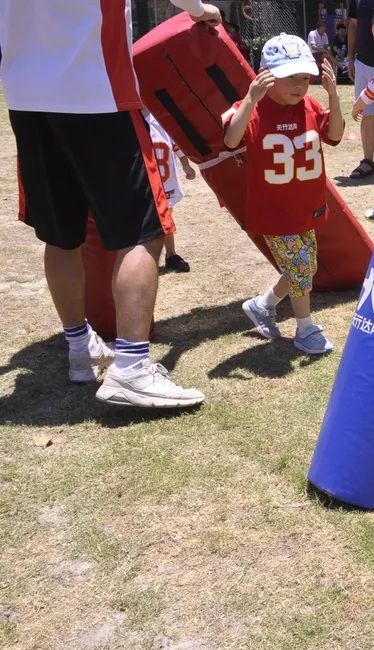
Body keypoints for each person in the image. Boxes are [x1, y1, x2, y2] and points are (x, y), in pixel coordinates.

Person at [1, 0, 218, 408]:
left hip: (26, 94)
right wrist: (200, 8)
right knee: (143, 230)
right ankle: (133, 367)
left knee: (61, 234)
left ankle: (80, 345)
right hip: (97, 88)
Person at [224, 36, 344, 355]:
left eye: (305, 77)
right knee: (301, 268)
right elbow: (231, 139)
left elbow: (334, 135)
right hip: (274, 211)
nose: (300, 85)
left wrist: (332, 95)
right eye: (291, 77)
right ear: (267, 75)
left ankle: (263, 305)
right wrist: (250, 99)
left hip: (306, 206)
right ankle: (305, 328)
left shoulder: (310, 105)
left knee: (304, 267)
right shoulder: (253, 107)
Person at [145, 111, 197, 273]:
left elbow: (176, 145)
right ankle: (147, 259)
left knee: (167, 216)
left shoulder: (160, 120)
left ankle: (171, 255)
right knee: (149, 219)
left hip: (166, 180)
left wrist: (185, 164)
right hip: (147, 180)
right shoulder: (133, 121)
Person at [346, 0, 374, 180]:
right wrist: (350, 59)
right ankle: (368, 162)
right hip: (363, 62)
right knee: (367, 114)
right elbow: (353, 25)